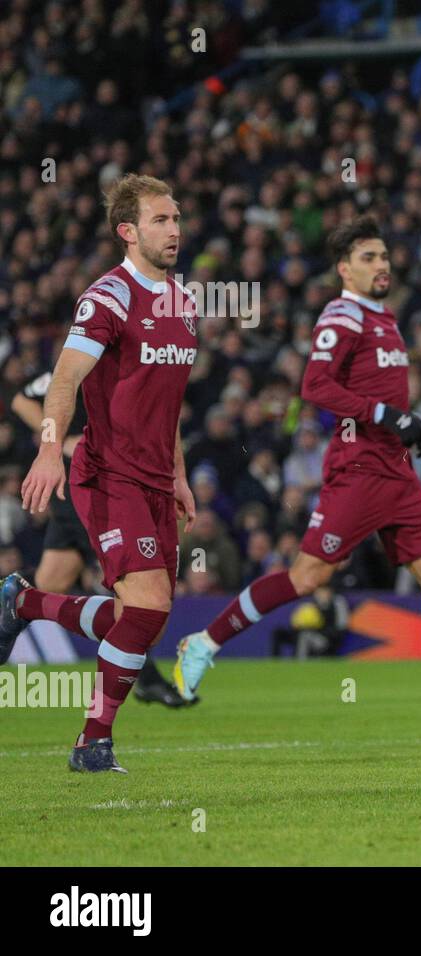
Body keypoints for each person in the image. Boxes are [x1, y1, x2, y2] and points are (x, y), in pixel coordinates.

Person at [171, 216, 421, 737]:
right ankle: (204, 642)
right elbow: (316, 386)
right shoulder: (341, 316)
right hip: (358, 470)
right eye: (369, 257)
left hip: (398, 472)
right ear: (345, 268)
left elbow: (381, 397)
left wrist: (410, 428)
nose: (382, 265)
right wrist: (391, 419)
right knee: (307, 578)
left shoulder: (385, 319)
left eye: (385, 256)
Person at [1, 174, 199, 773]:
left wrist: (180, 474)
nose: (175, 230)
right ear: (128, 231)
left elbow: (170, 403)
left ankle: (24, 603)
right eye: (161, 220)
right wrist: (47, 448)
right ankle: (93, 742)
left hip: (157, 479)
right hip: (107, 474)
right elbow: (64, 380)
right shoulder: (108, 297)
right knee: (146, 607)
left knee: (148, 615)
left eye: (177, 218)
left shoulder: (185, 303)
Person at [3, 361, 190, 706]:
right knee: (132, 591)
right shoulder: (81, 364)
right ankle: (144, 679)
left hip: (97, 482)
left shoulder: (125, 367)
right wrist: (60, 439)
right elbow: (21, 400)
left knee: (51, 581)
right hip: (90, 480)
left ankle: (17, 597)